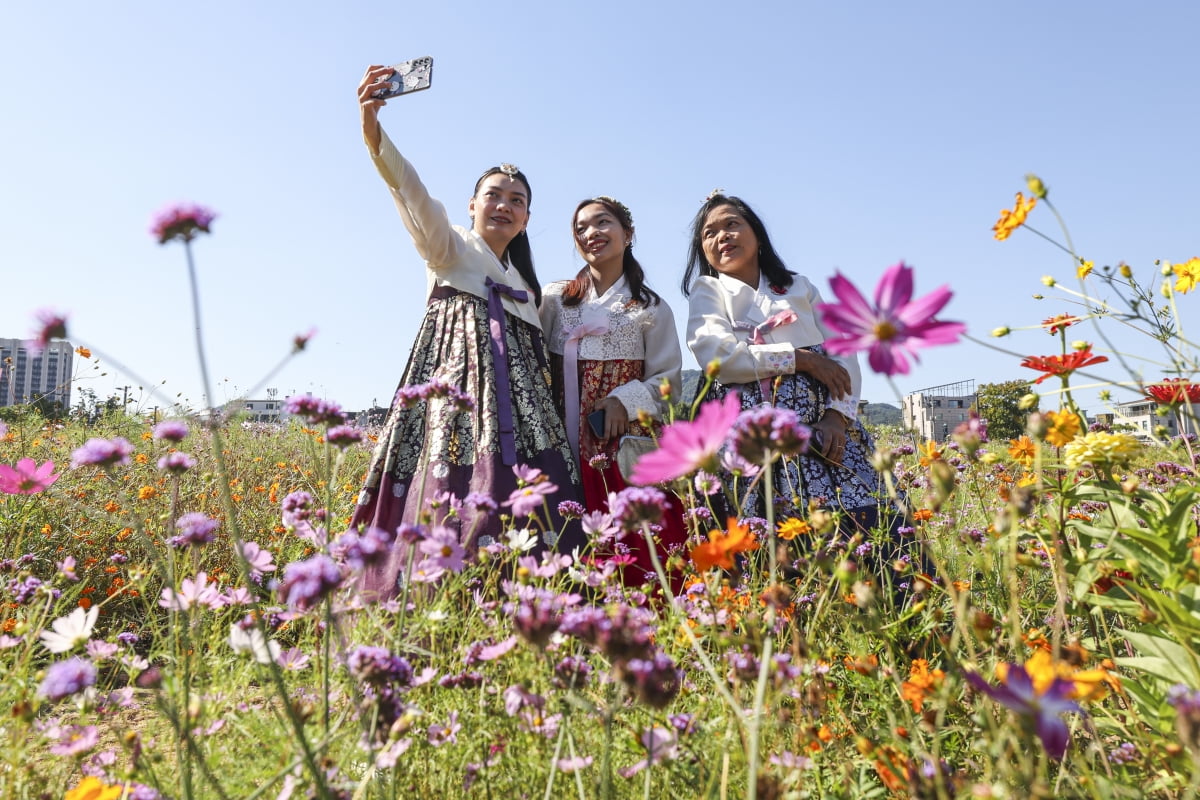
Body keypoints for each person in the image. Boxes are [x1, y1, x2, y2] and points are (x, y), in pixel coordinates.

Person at [351, 65, 583, 599]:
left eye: (516, 200)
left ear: (527, 219)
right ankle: (437, 599)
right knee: (453, 491)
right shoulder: (449, 248)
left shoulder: (530, 288)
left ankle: (538, 599)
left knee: (528, 495)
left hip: (528, 417)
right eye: (494, 195)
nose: (504, 205)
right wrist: (372, 130)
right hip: (457, 401)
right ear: (472, 206)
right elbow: (412, 191)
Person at [683, 193, 901, 537]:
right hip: (746, 437)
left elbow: (843, 353)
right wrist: (799, 360)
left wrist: (836, 417)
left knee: (857, 519)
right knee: (760, 526)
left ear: (757, 234)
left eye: (732, 225)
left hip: (818, 428)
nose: (721, 236)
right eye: (709, 233)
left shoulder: (799, 286)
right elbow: (716, 356)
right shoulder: (708, 290)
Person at [539, 197, 687, 587]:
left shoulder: (651, 308)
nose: (591, 233)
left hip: (616, 442)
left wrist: (626, 398)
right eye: (581, 228)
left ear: (628, 233)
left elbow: (669, 381)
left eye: (602, 223)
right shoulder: (555, 298)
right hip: (558, 439)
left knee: (632, 549)